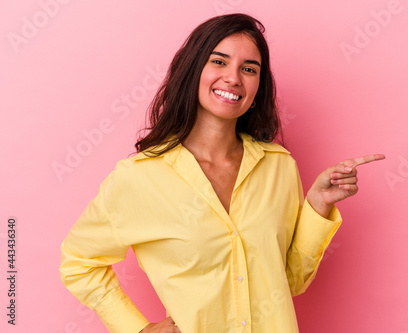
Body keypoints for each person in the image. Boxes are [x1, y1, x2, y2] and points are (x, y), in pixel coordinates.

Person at [59, 13, 384, 333]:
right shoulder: (139, 178)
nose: (233, 78)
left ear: (258, 88)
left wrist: (317, 204)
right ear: (192, 71)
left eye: (248, 68)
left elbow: (288, 281)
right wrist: (138, 329)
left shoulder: (279, 166)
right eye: (219, 61)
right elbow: (78, 262)